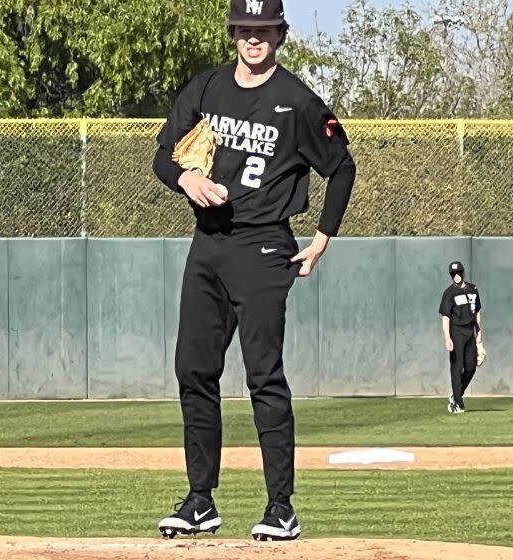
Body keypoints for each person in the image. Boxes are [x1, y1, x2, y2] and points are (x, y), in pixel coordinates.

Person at [151, 0, 356, 542]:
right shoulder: (206, 89)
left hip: (265, 246)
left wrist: (322, 239)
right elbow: (163, 156)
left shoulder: (296, 101)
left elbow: (341, 166)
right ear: (234, 32)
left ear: (279, 34)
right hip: (209, 243)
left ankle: (280, 507)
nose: (253, 37)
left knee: (263, 375)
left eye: (263, 29)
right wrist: (184, 180)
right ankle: (200, 501)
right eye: (244, 28)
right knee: (193, 369)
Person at [439, 261, 483, 414]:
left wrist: (479, 335)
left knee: (471, 367)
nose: (456, 276)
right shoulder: (449, 293)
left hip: (470, 331)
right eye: (453, 274)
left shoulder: (473, 289)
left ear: (463, 273)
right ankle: (457, 403)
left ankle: (456, 395)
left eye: (458, 273)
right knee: (457, 368)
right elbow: (445, 317)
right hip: (456, 331)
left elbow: (477, 312)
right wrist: (447, 337)